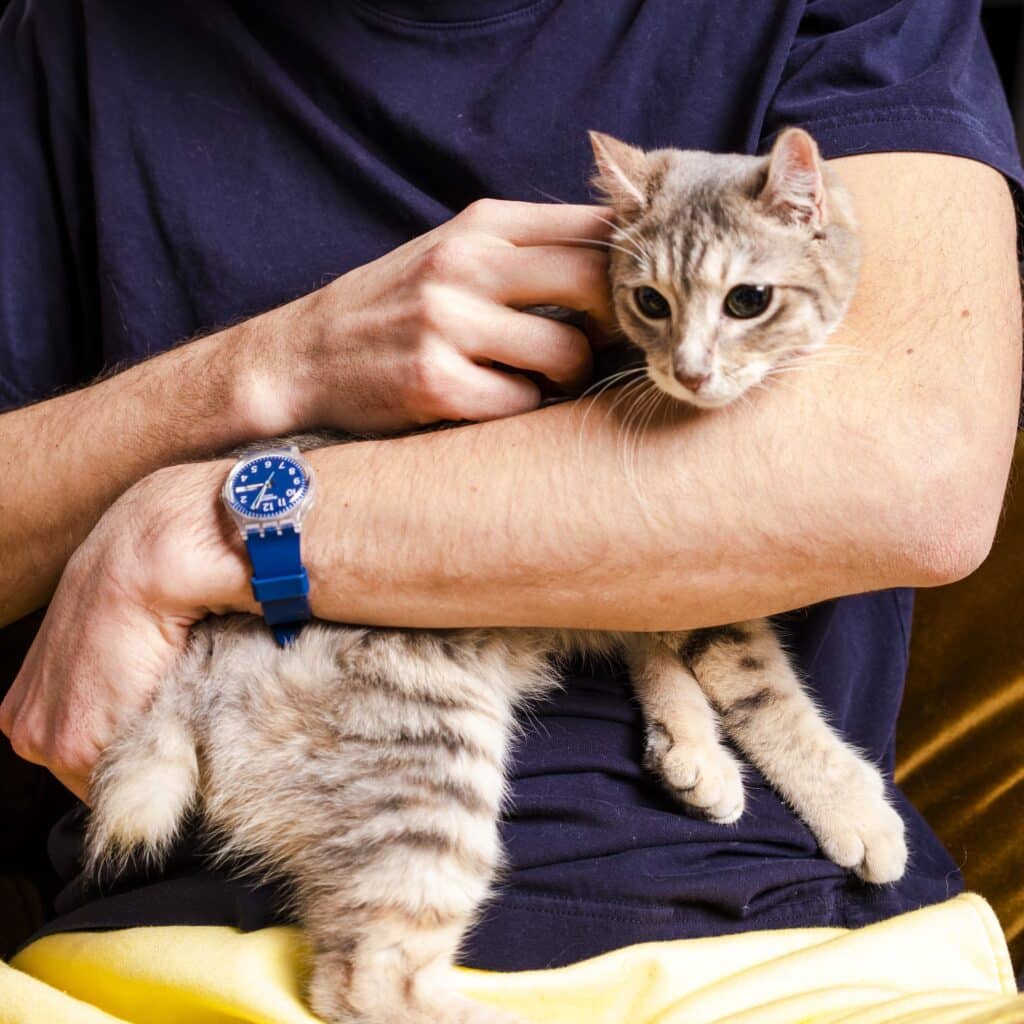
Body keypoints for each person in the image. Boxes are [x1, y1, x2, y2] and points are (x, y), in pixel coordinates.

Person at [0, 0, 1020, 973]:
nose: (696, 361)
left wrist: (193, 530)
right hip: (189, 922)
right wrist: (268, 367)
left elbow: (917, 467)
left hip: (768, 930)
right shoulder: (71, 35)